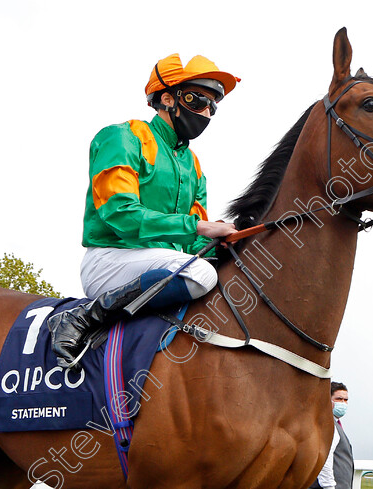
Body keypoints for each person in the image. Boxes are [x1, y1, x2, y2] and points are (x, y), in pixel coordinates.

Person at [47, 53, 240, 370]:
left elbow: (193, 244)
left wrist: (228, 243)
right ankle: (81, 317)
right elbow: (119, 213)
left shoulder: (193, 166)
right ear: (168, 99)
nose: (206, 112)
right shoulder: (123, 136)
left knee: (221, 272)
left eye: (213, 106)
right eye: (197, 100)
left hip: (164, 266)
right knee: (201, 274)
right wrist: (200, 228)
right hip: (110, 259)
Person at [311, 382, 354, 489]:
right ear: (327, 400)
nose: (343, 403)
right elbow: (325, 459)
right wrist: (329, 486)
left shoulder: (334, 425)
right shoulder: (327, 424)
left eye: (346, 400)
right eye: (339, 399)